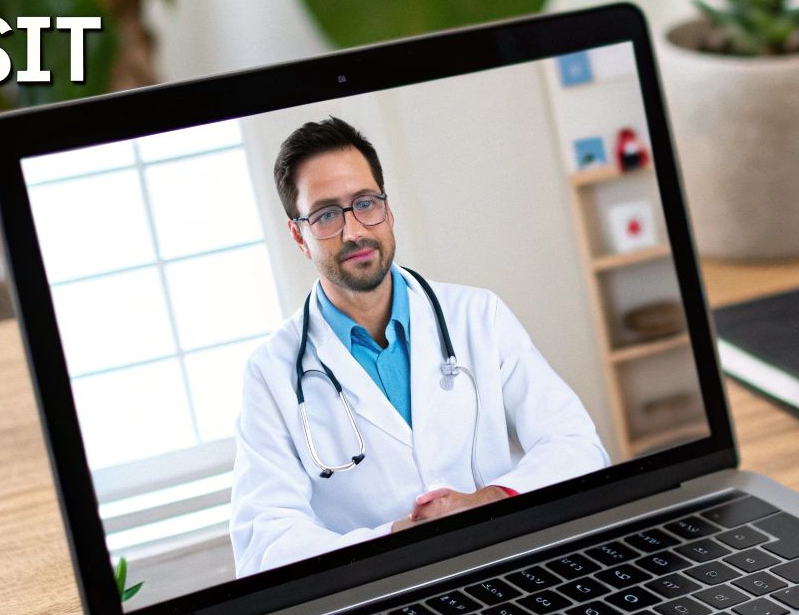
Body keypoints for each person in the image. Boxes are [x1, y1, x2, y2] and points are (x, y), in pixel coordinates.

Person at [230, 117, 609, 576]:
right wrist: (392, 540)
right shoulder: (271, 373)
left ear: (388, 212)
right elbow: (264, 544)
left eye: (364, 204)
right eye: (326, 215)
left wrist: (486, 502)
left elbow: (577, 447)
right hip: (381, 595)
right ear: (298, 235)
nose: (353, 232)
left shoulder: (477, 316)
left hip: (509, 566)